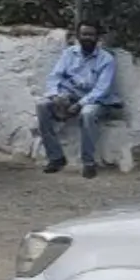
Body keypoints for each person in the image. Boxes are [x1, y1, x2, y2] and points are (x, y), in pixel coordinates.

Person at [37, 21, 120, 178]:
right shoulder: (69, 53)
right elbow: (55, 76)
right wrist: (55, 96)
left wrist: (79, 104)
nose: (87, 38)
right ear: (78, 36)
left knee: (87, 113)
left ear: (97, 37)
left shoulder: (106, 59)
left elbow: (102, 90)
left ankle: (88, 162)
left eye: (91, 34)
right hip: (70, 95)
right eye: (84, 34)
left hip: (98, 101)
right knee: (42, 105)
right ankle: (56, 158)